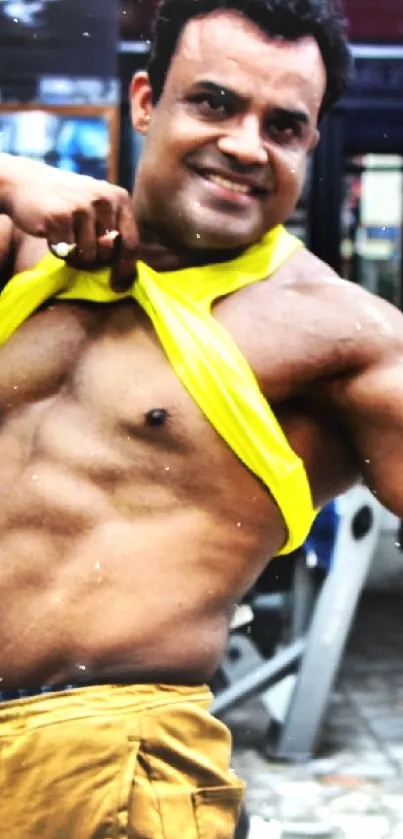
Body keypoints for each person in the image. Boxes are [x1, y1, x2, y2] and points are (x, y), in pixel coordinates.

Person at [0, 0, 397, 835]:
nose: (248, 144)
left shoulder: (346, 338)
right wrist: (6, 176)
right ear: (146, 100)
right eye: (214, 102)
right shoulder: (25, 247)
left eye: (284, 125)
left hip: (103, 767)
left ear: (310, 145)